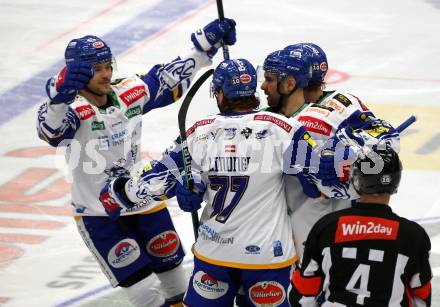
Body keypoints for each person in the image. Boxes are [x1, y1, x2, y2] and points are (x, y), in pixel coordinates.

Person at [98, 54, 336, 306]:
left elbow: (157, 178)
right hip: (267, 256)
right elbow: (318, 183)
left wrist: (117, 193)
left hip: (215, 253)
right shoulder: (283, 129)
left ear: (220, 94)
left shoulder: (200, 131)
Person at [36, 18, 236, 307]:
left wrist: (204, 46)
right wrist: (58, 97)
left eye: (108, 66)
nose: (106, 74)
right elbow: (50, 131)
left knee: (177, 285)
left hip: (142, 202)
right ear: (78, 75)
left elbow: (167, 78)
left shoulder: (128, 92)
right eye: (97, 69)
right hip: (99, 214)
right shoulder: (74, 109)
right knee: (146, 294)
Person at [260, 43, 400, 260]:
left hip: (332, 228)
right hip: (280, 231)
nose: (263, 86)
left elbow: (388, 141)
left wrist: (350, 159)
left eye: (270, 79)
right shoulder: (269, 116)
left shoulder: (342, 105)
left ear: (292, 82)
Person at [289, 146, 432, 306]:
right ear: (395, 181)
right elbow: (422, 295)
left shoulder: (327, 227)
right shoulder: (413, 235)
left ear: (357, 179)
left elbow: (303, 292)